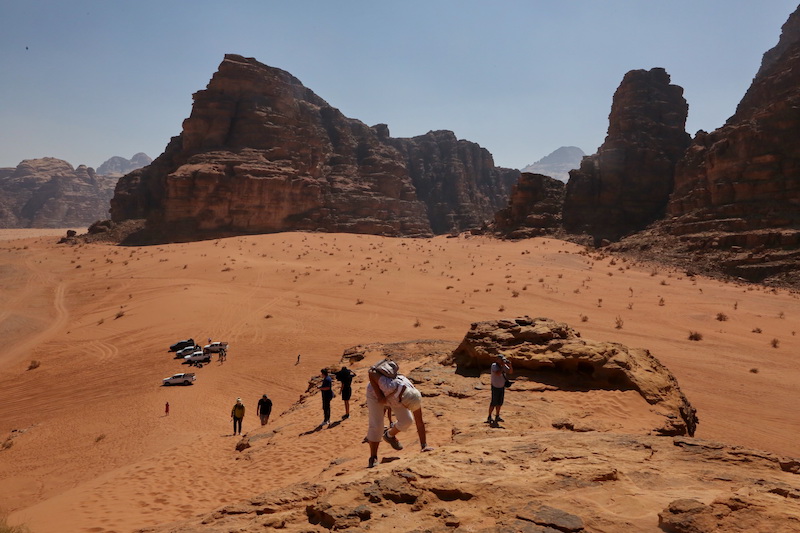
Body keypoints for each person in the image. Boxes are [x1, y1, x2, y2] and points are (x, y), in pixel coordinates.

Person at [366, 360, 432, 468]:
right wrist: (379, 396)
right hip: (375, 393)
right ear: (404, 402)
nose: (407, 408)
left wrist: (424, 446)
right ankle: (373, 457)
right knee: (377, 425)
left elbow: (419, 423)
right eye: (407, 407)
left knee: (407, 420)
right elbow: (371, 373)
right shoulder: (389, 386)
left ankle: (389, 436)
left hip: (395, 397)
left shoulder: (414, 396)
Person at [488, 354, 512, 424]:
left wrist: (510, 366)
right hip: (495, 386)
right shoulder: (494, 365)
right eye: (501, 360)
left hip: (502, 386)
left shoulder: (504, 366)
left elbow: (510, 372)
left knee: (500, 402)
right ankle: (489, 416)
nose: (502, 361)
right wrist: (503, 366)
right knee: (493, 402)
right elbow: (498, 373)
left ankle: (497, 416)